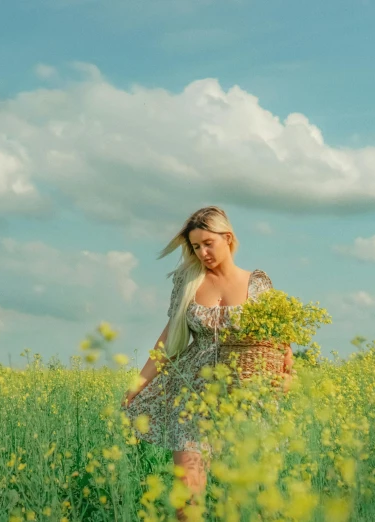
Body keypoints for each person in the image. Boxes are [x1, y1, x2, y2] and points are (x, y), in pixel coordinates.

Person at [121, 205, 294, 521]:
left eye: (207, 244)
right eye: (196, 246)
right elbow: (169, 338)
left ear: (227, 238)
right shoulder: (188, 281)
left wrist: (287, 374)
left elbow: (280, 338)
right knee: (187, 494)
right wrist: (138, 384)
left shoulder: (257, 283)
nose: (202, 252)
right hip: (193, 396)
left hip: (245, 397)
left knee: (242, 497)